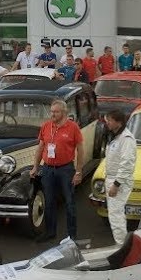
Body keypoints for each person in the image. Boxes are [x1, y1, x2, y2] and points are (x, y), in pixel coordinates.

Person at [31, 99, 85, 243]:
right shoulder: (46, 126)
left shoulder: (73, 127)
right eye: (51, 111)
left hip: (66, 169)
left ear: (64, 112)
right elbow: (41, 147)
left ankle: (72, 236)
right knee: (49, 201)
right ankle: (50, 232)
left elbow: (80, 150)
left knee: (69, 202)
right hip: (48, 169)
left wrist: (78, 172)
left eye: (56, 112)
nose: (52, 114)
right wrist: (36, 166)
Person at [100, 110, 137, 245]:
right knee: (115, 214)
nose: (107, 123)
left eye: (110, 120)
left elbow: (126, 164)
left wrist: (116, 184)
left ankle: (121, 245)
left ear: (119, 122)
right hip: (112, 178)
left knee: (116, 215)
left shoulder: (126, 139)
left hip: (118, 181)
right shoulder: (115, 137)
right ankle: (121, 243)